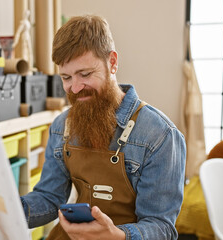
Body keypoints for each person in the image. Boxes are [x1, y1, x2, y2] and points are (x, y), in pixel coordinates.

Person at [21, 15, 186, 240]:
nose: (76, 88)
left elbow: (161, 227)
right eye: (66, 77)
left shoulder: (160, 136)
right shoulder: (62, 127)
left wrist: (117, 235)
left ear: (113, 63)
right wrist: (9, 210)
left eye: (85, 74)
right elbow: (49, 198)